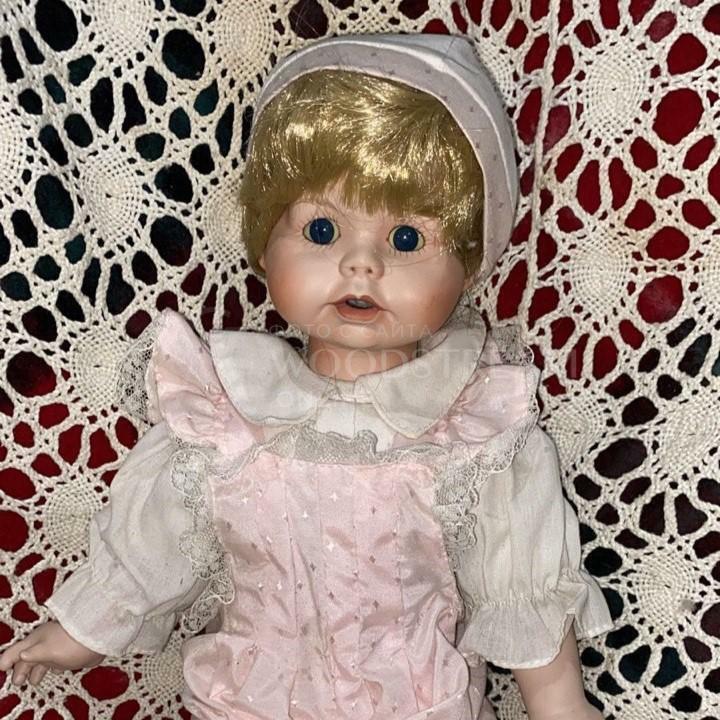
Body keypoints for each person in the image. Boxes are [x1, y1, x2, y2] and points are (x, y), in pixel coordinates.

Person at [0, 34, 613, 719]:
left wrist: (558, 701)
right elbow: (155, 540)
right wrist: (84, 629)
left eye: (405, 240)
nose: (361, 265)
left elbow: (519, 575)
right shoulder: (227, 415)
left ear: (467, 266)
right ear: (266, 244)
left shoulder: (471, 433)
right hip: (246, 702)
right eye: (322, 231)